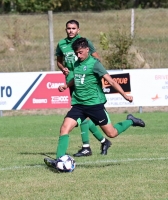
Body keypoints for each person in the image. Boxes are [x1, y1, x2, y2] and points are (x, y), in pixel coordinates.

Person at [44, 37, 145, 170]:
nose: (78, 55)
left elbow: (112, 81)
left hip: (94, 105)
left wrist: (125, 95)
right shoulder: (76, 63)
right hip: (79, 105)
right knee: (64, 128)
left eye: (80, 52)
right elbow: (77, 77)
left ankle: (131, 121)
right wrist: (67, 85)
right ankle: (58, 160)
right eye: (76, 53)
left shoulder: (95, 64)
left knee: (112, 133)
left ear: (87, 50)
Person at [55, 19, 111, 157]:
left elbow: (97, 59)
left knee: (84, 116)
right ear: (66, 29)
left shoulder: (83, 43)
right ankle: (100, 142)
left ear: (78, 30)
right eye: (68, 28)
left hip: (85, 84)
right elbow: (59, 62)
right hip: (72, 82)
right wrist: (63, 69)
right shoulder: (61, 44)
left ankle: (91, 145)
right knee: (82, 117)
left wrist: (92, 76)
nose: (71, 30)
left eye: (73, 28)